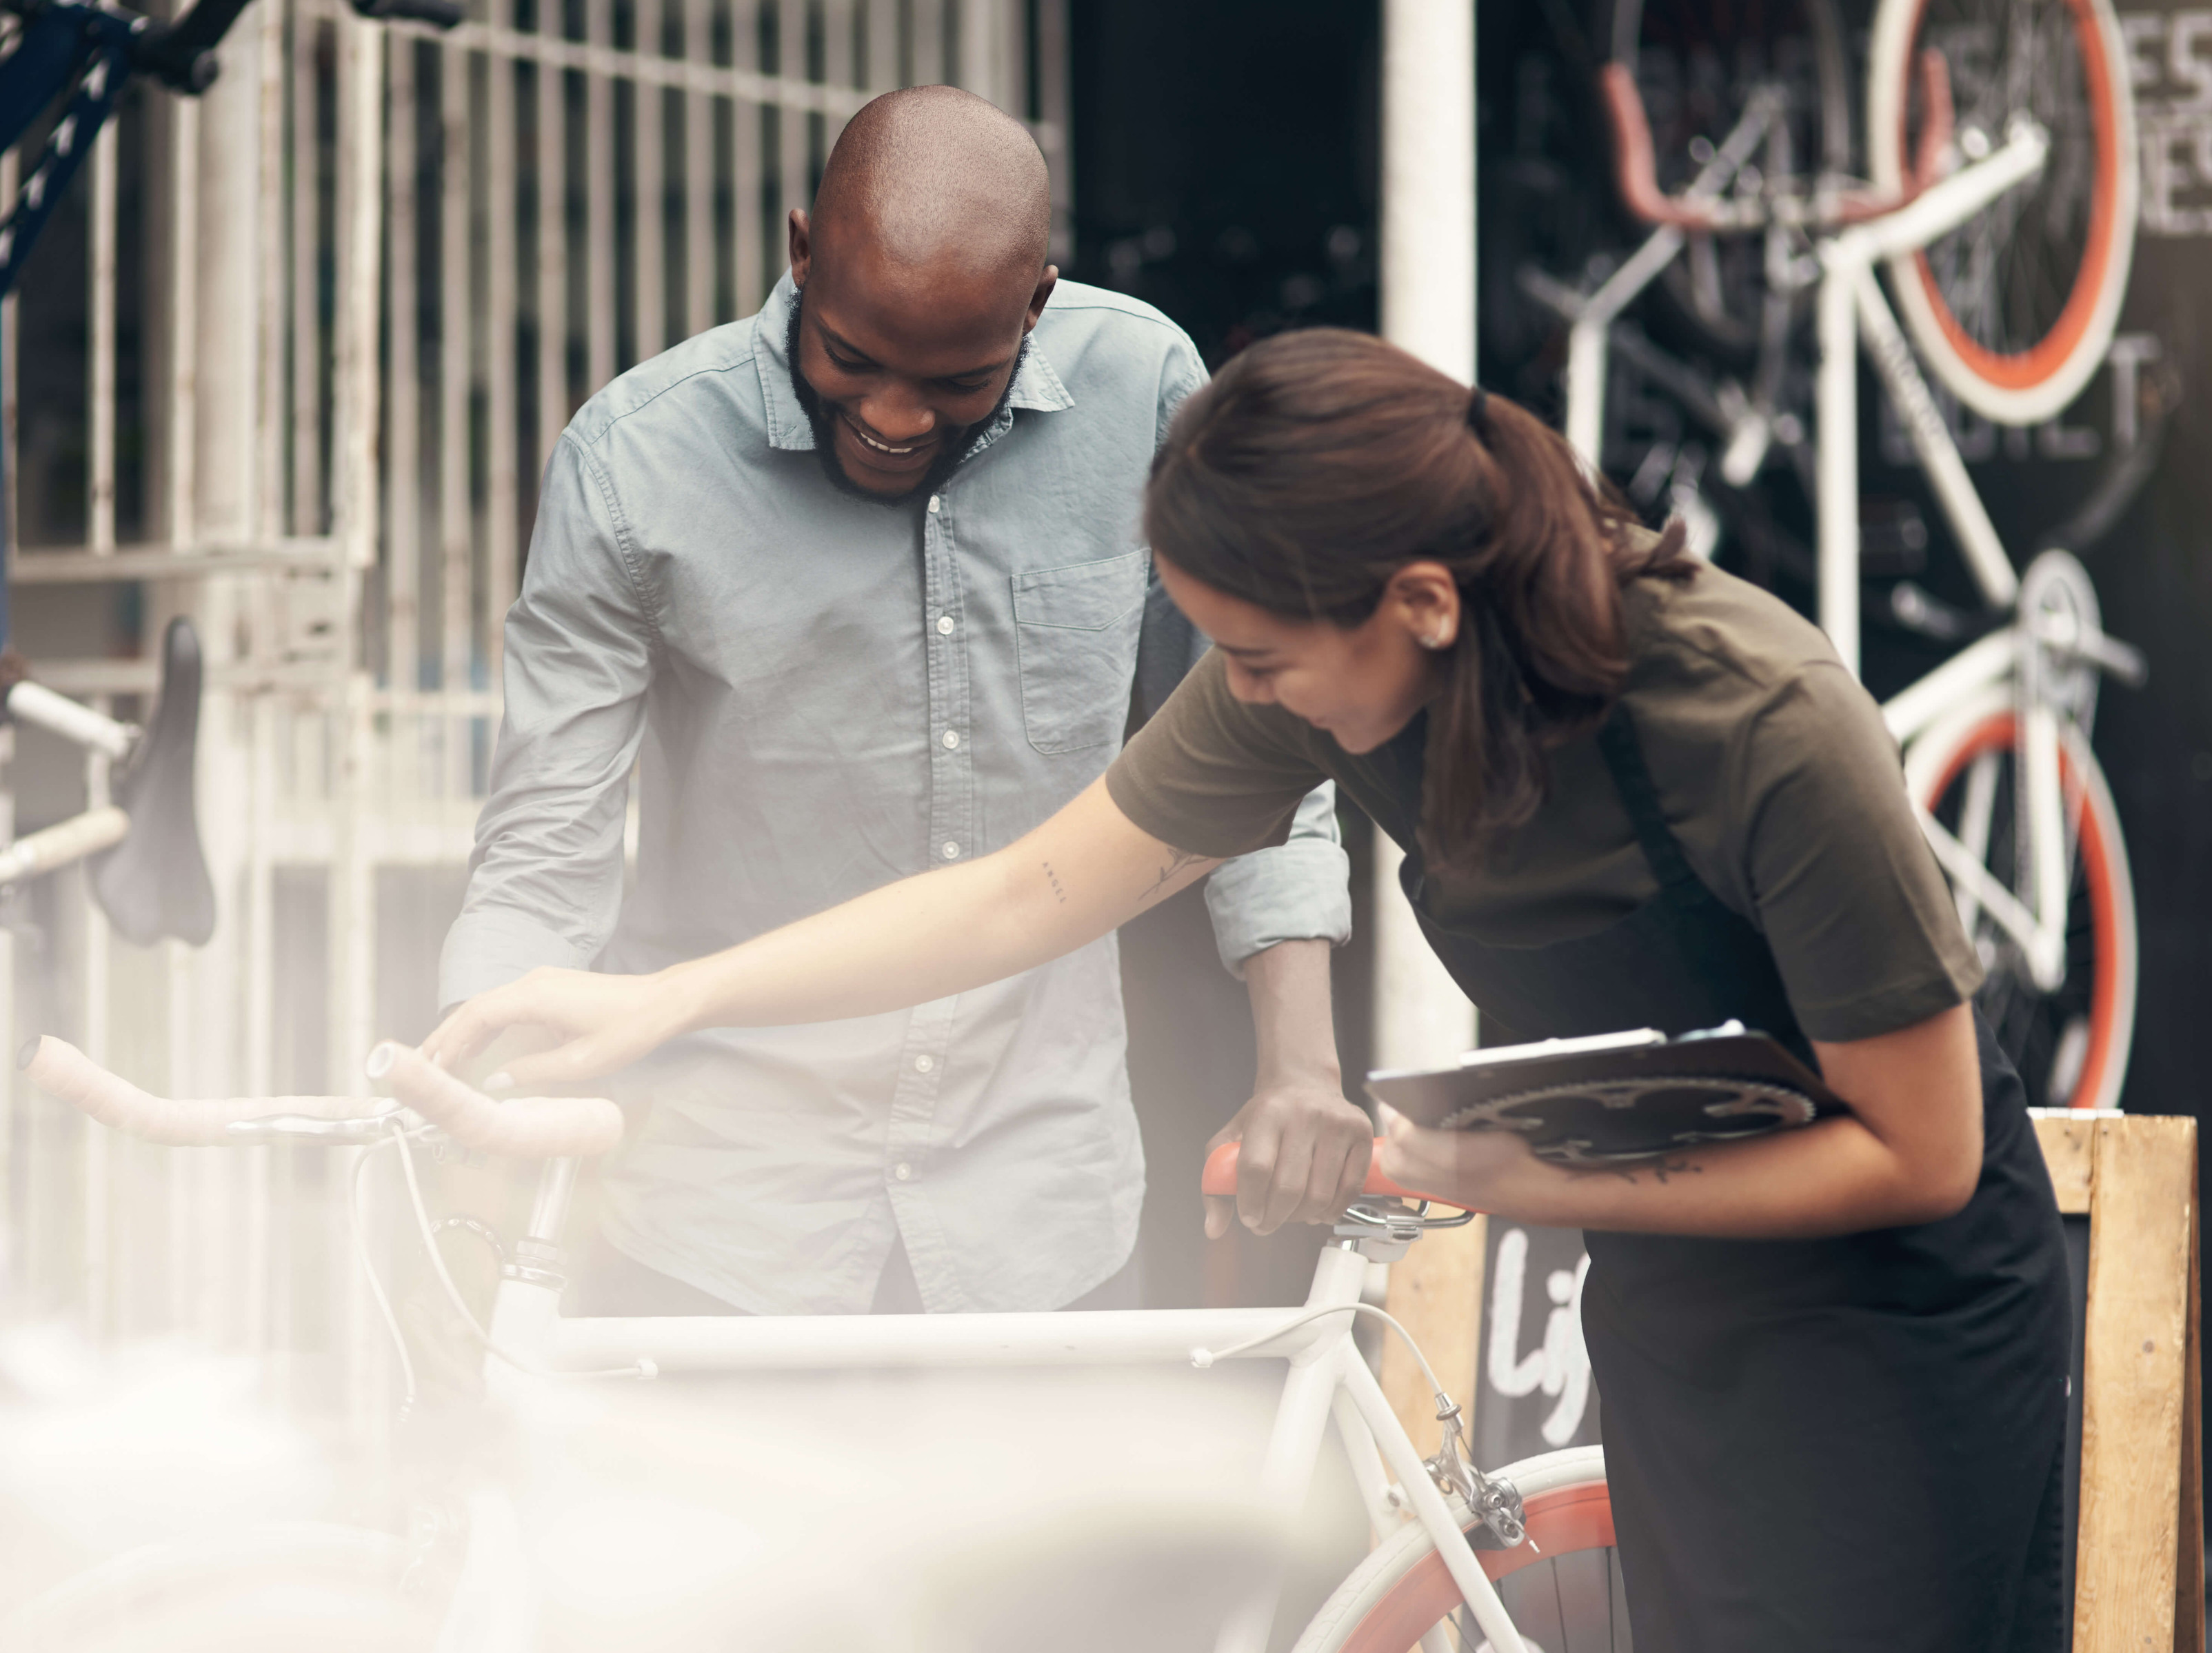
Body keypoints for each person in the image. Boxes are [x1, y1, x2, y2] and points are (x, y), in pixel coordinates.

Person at [427, 328, 2070, 1650]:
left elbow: (1912, 1153)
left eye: (1266, 659)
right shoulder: (1314, 674)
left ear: (1420, 605)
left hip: (1901, 1319)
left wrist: (1512, 1174)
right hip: (1666, 1291)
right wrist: (662, 1001)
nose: (1247, 695)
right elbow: (1022, 893)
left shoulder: (1758, 722)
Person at [439, 86, 1354, 1318]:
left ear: (1036, 302)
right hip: (724, 1219)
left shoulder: (1143, 391)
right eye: (852, 359)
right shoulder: (634, 462)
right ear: (801, 249)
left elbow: (1257, 755)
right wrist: (471, 1097)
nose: (892, 415)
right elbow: (545, 849)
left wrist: (1301, 1064)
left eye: (957, 379)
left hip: (1042, 1208)